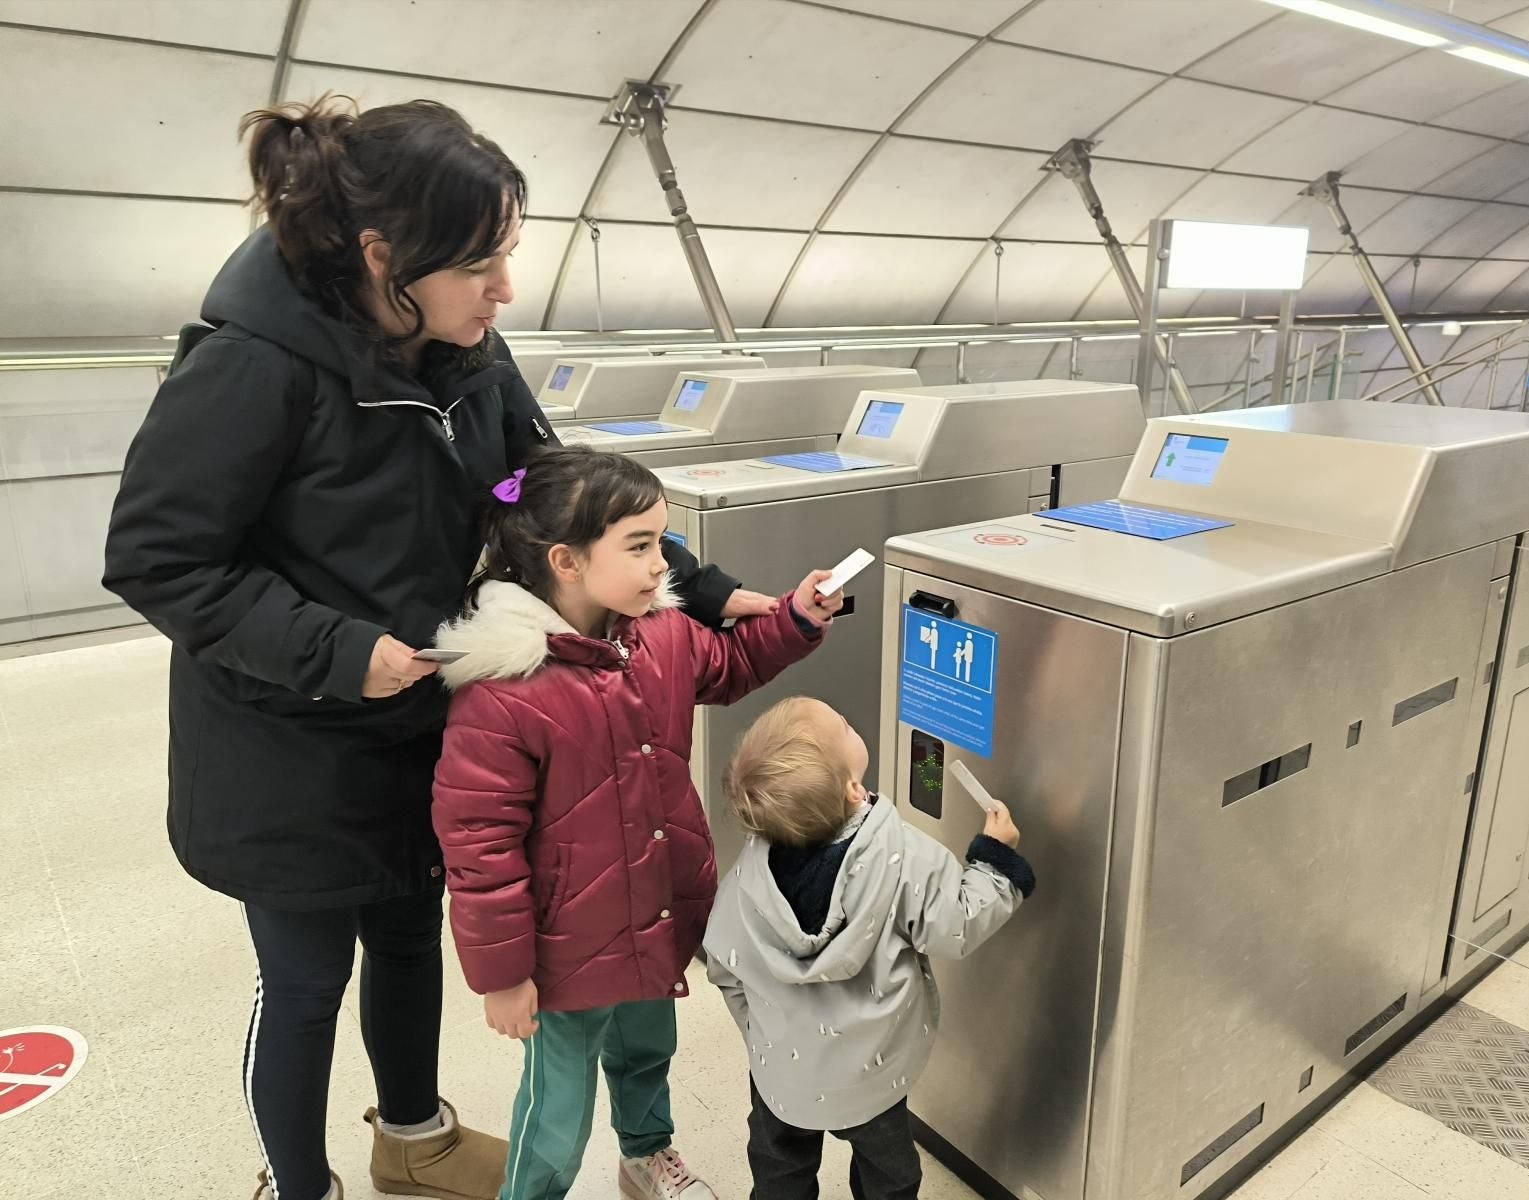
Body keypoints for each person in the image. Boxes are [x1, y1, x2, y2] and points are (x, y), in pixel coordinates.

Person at [101, 95, 772, 1200]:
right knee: (306, 980)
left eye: (507, 258)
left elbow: (543, 491)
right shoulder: (252, 368)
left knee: (410, 937)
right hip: (287, 745)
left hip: (423, 721)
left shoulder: (465, 354)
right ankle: (297, 1184)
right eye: (479, 266)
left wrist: (695, 585)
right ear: (381, 256)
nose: (504, 291)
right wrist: (335, 649)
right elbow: (162, 560)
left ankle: (410, 1137)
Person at [429, 447, 843, 1200]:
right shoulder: (502, 692)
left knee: (648, 1047)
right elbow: (479, 847)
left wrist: (795, 619)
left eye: (661, 541)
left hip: (654, 902)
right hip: (565, 940)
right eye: (642, 546)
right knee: (556, 1103)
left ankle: (646, 1153)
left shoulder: (660, 637)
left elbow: (731, 665)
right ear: (567, 560)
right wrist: (503, 975)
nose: (664, 565)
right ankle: (534, 1192)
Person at [704, 698, 1037, 1200]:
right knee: (890, 1176)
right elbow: (957, 924)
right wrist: (996, 858)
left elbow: (724, 966)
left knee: (779, 1169)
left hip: (782, 1076)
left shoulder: (744, 883)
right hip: (872, 1074)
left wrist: (761, 1032)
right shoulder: (902, 858)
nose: (847, 717)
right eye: (842, 722)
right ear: (854, 788)